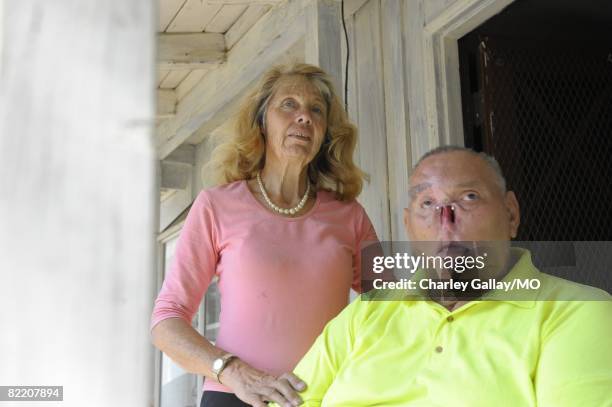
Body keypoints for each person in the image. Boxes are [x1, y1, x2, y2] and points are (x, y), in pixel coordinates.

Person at [277, 146, 612, 406]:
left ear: (511, 214)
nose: (445, 220)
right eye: (427, 204)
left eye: (468, 197)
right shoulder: (365, 313)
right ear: (408, 227)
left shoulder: (576, 310)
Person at [150, 63, 378, 407]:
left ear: (326, 132)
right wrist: (230, 370)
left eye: (316, 110)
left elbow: (397, 301)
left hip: (326, 398)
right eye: (289, 104)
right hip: (236, 397)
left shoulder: (349, 215)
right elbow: (166, 320)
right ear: (262, 121)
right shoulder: (216, 205)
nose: (304, 117)